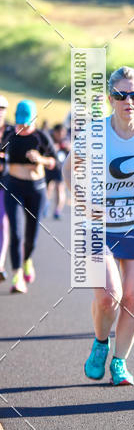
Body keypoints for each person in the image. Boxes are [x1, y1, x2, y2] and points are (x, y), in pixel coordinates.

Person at [63, 66, 134, 386]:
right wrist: (80, 202)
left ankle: (120, 362)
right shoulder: (95, 133)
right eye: (122, 95)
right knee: (107, 297)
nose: (129, 100)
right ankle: (100, 342)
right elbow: (68, 169)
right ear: (111, 98)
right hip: (98, 226)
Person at [2, 100, 57, 294]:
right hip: (13, 186)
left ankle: (27, 260)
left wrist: (40, 159)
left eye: (26, 122)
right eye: (19, 122)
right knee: (16, 233)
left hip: (36, 189)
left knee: (31, 236)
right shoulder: (9, 135)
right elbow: (1, 155)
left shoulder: (41, 136)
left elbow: (54, 162)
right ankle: (17, 276)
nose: (22, 126)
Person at [0, 95, 15, 282]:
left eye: (2, 108)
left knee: (3, 223)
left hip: (7, 182)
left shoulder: (12, 132)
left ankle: (1, 263)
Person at [45, 123, 70, 219]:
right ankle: (45, 206)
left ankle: (57, 210)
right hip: (49, 168)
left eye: (62, 133)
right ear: (55, 132)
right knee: (48, 188)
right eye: (59, 133)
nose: (61, 135)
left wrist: (67, 147)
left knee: (60, 189)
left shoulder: (67, 140)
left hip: (61, 169)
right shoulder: (49, 139)